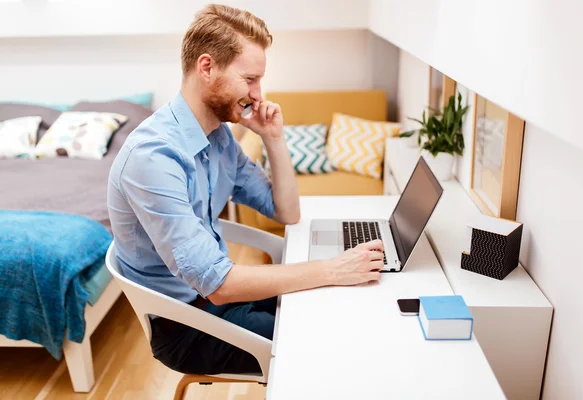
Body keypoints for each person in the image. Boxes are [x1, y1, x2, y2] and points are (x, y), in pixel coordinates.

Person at [107, 3, 384, 376]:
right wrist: (333, 269)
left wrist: (273, 139)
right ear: (207, 68)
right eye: (250, 79)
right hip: (190, 326)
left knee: (342, 307)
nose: (258, 94)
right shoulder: (153, 158)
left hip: (218, 300)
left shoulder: (219, 138)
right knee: (332, 343)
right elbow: (219, 285)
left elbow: (286, 213)